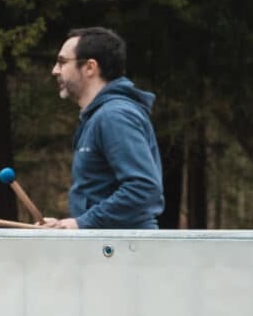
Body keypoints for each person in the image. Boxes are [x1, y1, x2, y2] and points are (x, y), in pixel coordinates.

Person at [45, 26, 164, 231]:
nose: (55, 70)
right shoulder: (98, 117)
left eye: (62, 62)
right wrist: (68, 224)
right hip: (108, 245)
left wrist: (82, 223)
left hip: (124, 248)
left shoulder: (114, 116)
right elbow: (98, 196)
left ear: (90, 67)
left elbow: (143, 190)